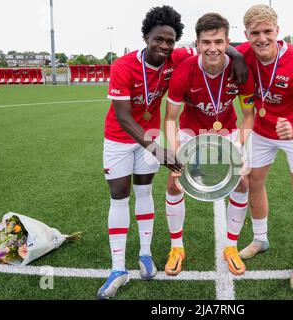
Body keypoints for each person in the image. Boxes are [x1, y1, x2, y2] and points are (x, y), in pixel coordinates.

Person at [98, 5, 248, 300]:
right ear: (145, 37)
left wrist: (238, 56)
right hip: (122, 137)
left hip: (150, 136)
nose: (164, 46)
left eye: (169, 41)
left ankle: (145, 255)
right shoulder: (123, 66)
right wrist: (160, 149)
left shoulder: (176, 58)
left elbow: (215, 46)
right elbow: (124, 118)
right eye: (158, 40)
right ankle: (117, 267)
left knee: (143, 192)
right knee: (119, 195)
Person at [236, 4, 293, 291]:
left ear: (278, 31)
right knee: (253, 181)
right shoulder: (242, 52)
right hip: (263, 130)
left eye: (267, 31)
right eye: (255, 33)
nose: (261, 38)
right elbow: (213, 50)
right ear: (247, 34)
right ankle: (260, 239)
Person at [164, 13, 255, 276]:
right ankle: (176, 247)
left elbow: (248, 116)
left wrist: (238, 145)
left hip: (227, 130)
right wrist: (173, 155)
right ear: (197, 42)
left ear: (228, 42)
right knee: (174, 181)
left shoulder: (240, 69)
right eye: (206, 42)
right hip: (191, 130)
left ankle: (231, 246)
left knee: (243, 181)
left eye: (218, 41)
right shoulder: (184, 71)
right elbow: (170, 119)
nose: (212, 48)